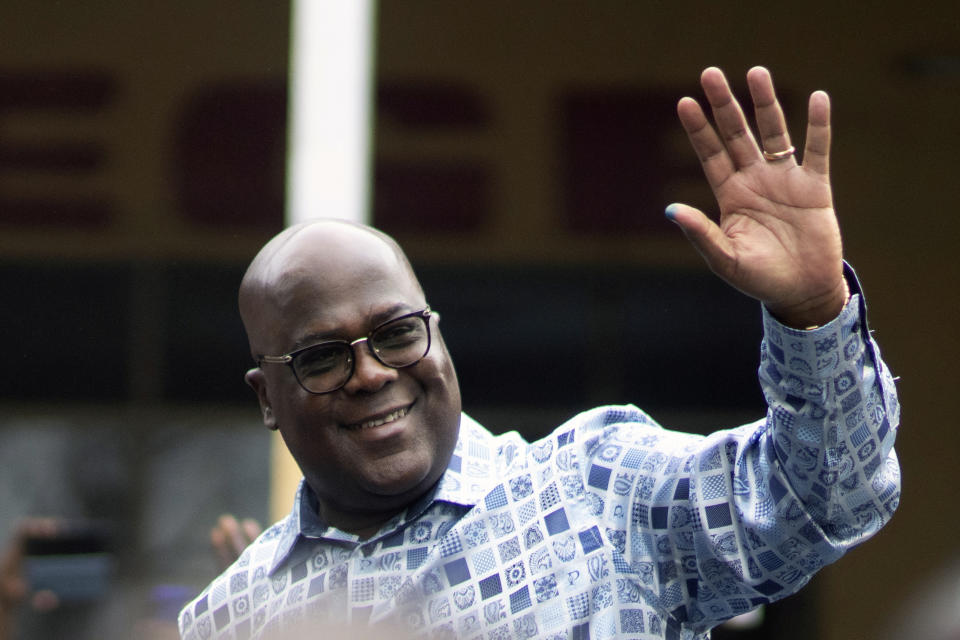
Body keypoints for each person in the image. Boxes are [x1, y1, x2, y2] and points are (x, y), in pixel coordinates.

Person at [178, 66, 900, 639]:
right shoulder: (231, 619)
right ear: (267, 398)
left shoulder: (601, 493)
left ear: (437, 338)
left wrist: (812, 312)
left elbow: (831, 499)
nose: (371, 373)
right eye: (323, 358)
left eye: (397, 334)